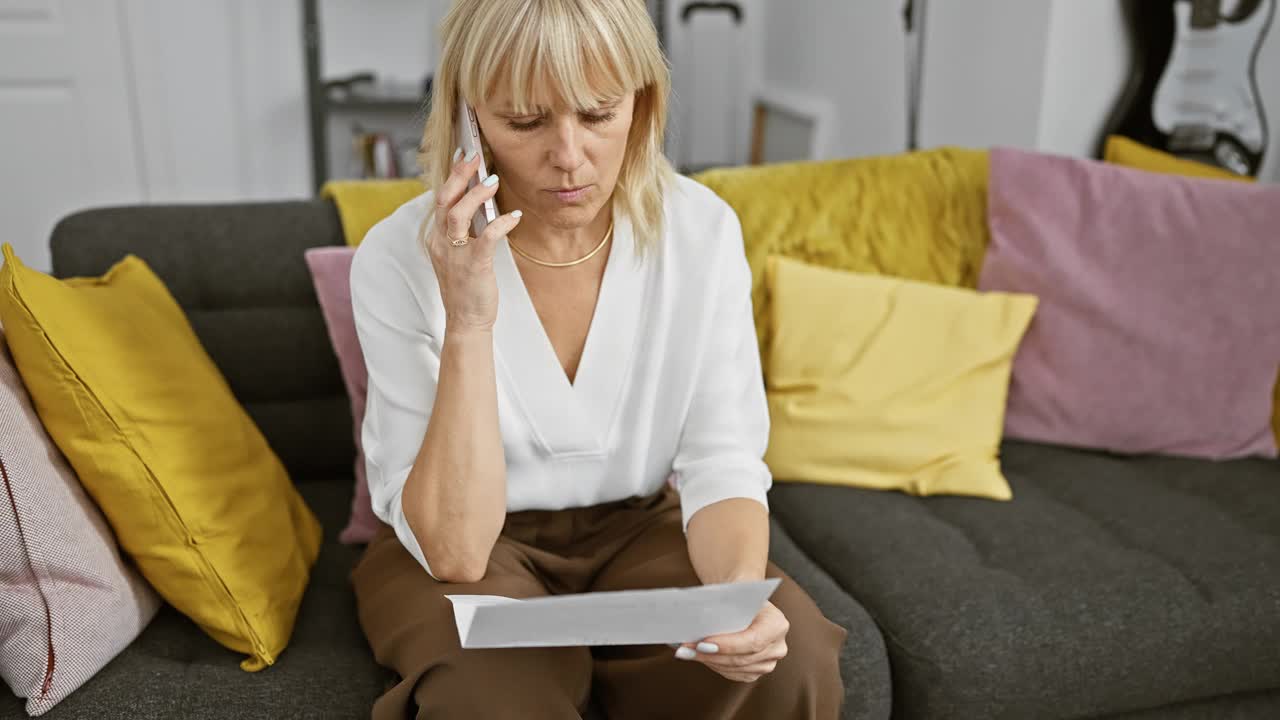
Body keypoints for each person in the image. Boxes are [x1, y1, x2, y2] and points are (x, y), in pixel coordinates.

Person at [348, 0, 847, 717]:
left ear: (642, 104)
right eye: (524, 121)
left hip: (642, 530)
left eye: (598, 114)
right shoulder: (397, 259)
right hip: (464, 553)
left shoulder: (700, 232)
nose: (569, 157)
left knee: (786, 660)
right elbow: (455, 552)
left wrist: (736, 597)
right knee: (493, 702)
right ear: (469, 118)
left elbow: (723, 459)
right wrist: (467, 318)